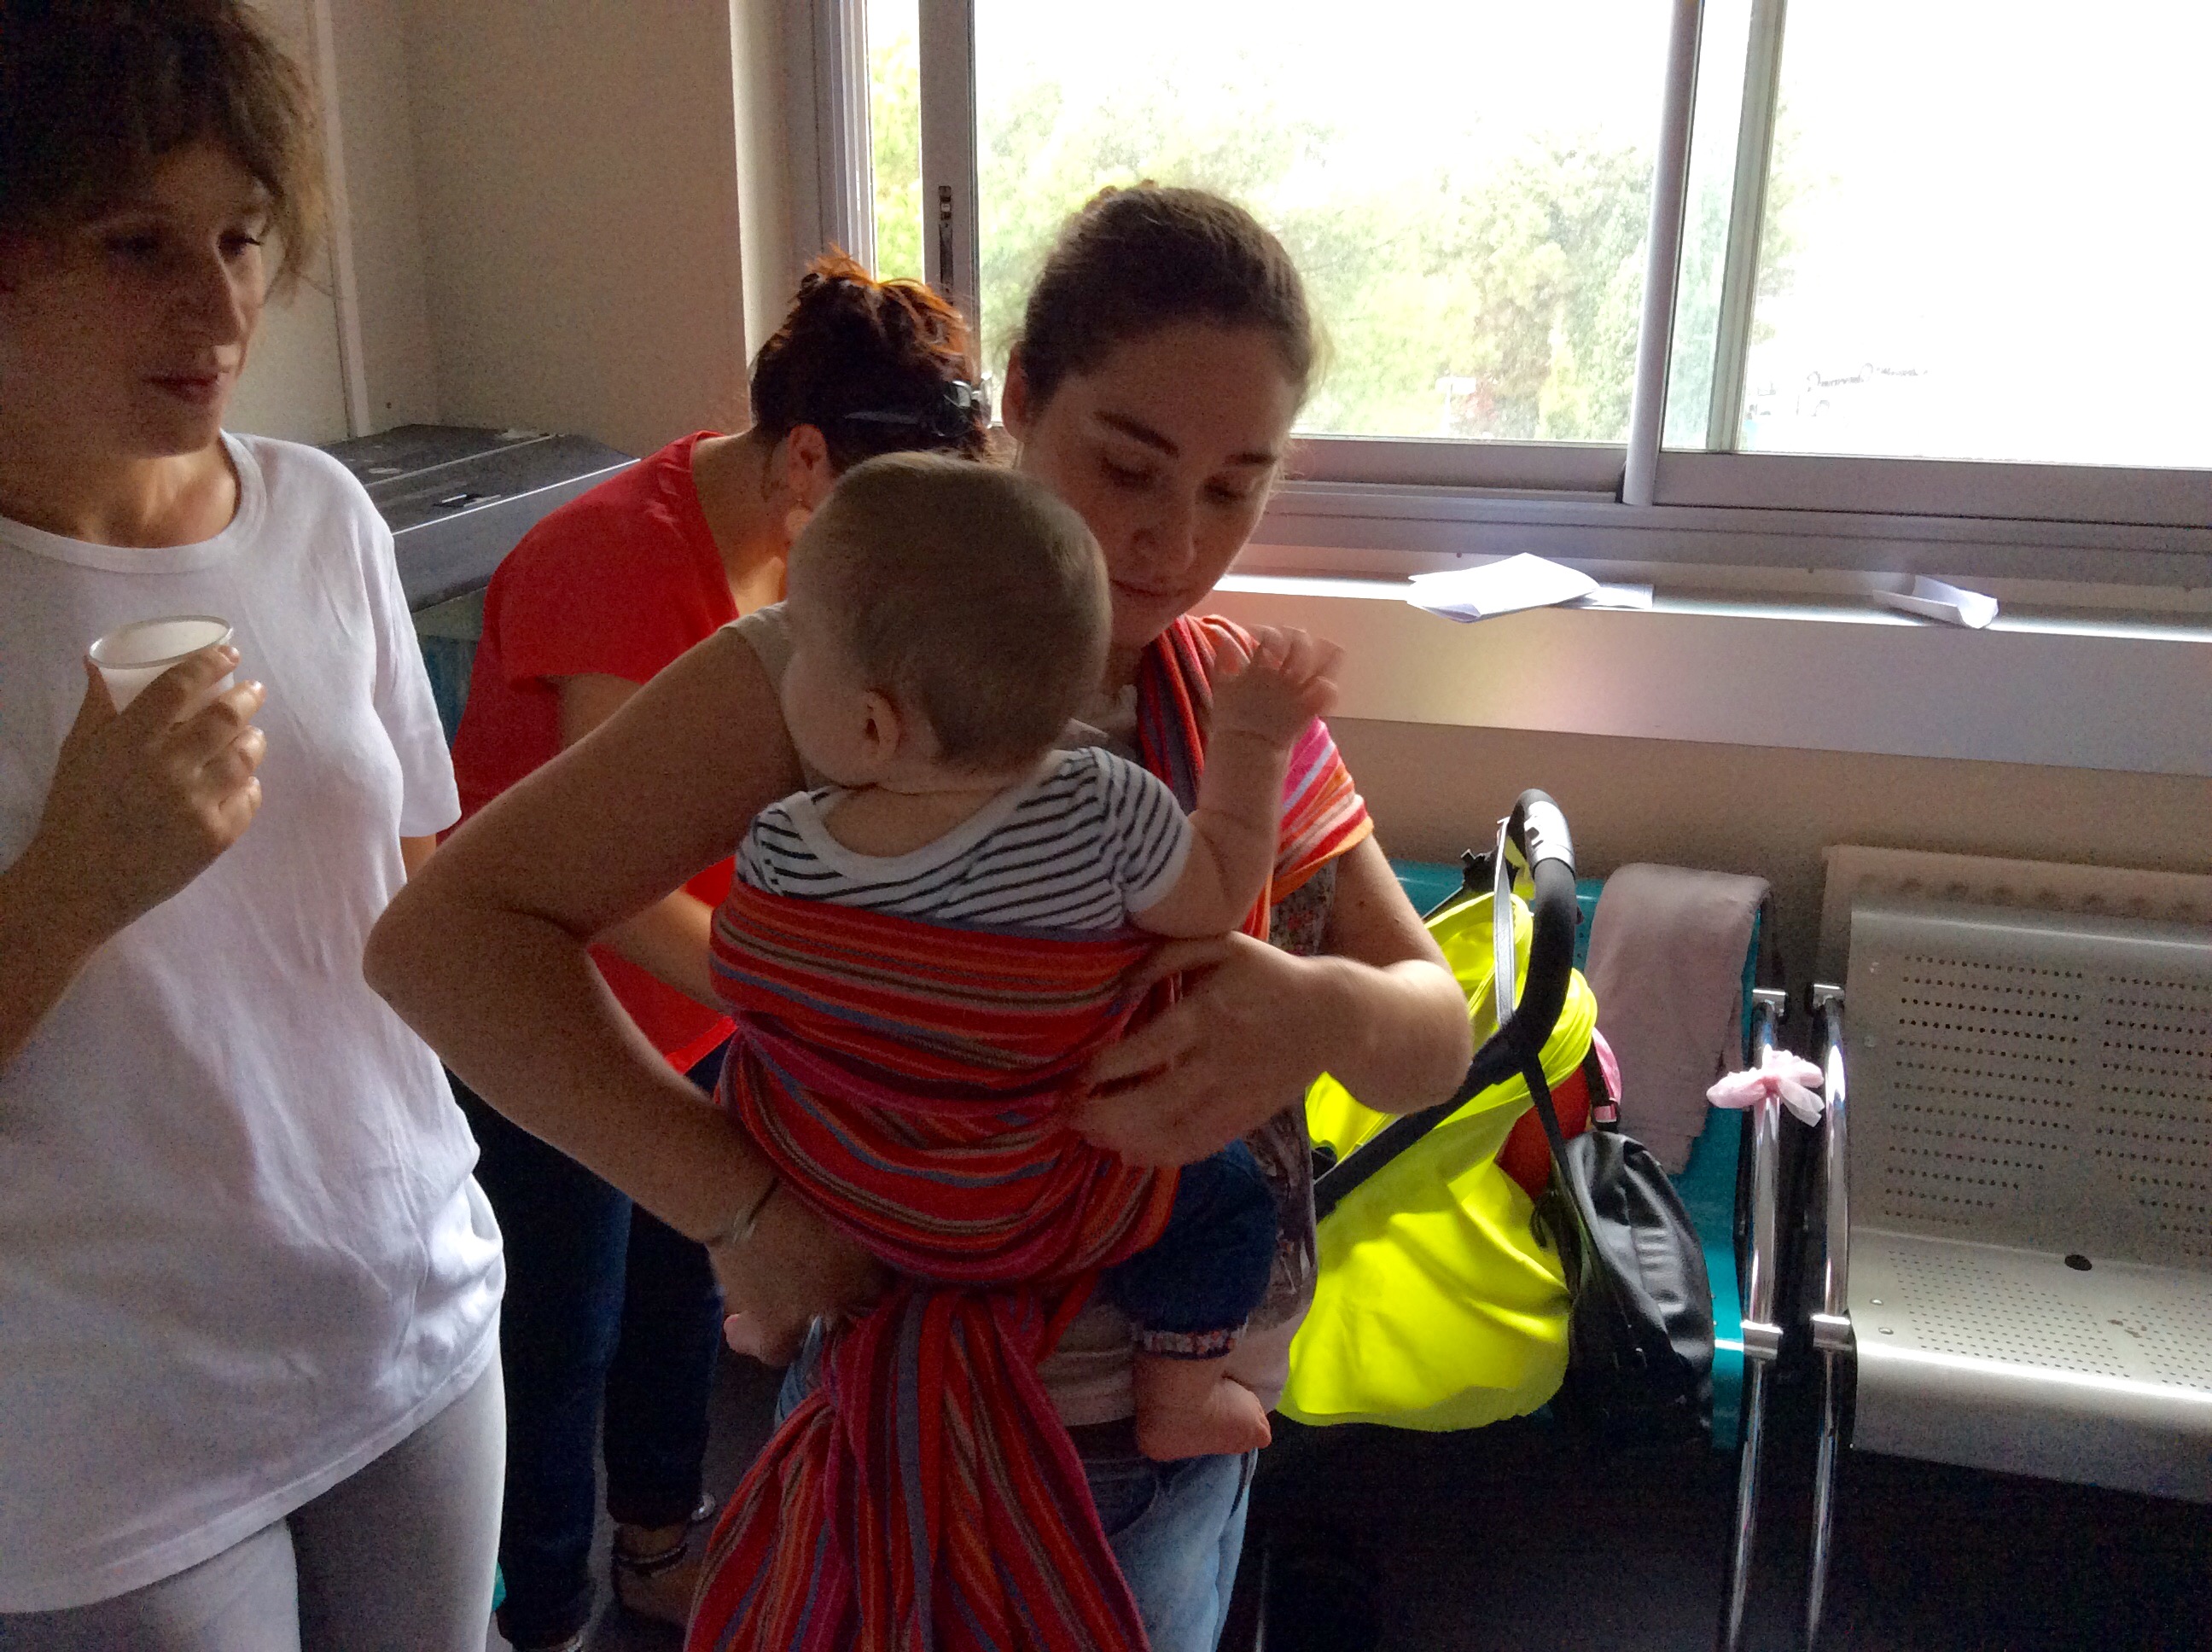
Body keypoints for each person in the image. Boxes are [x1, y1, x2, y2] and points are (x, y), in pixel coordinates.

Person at [368, 184, 1471, 1652]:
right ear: (1020, 400)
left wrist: (1321, 1011)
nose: (1167, 541)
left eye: (1233, 488)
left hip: (1165, 1465)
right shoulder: (826, 673)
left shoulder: (1227, 714)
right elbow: (447, 938)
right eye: (1127, 463)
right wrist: (737, 1207)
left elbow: (1432, 1033)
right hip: (886, 1410)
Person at [0, 4, 502, 1648]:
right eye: (135, 243)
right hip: (103, 1436)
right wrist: (70, 887)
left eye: (237, 237)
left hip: (409, 1318)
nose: (217, 309)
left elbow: (419, 893)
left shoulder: (322, 515)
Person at [443, 255, 987, 1651]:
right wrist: (808, 996)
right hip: (554, 1011)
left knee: (686, 1292)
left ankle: (655, 1552)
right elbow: (612, 892)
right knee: (565, 1336)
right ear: (807, 455)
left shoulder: (812, 551)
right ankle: (545, 1606)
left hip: (698, 1004)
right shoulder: (615, 559)